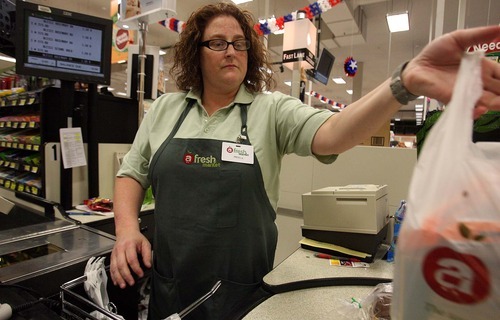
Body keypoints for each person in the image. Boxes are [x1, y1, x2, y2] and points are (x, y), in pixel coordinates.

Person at [110, 2, 500, 319]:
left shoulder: (270, 111)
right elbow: (132, 173)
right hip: (171, 288)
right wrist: (127, 230)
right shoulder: (165, 108)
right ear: (196, 52)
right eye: (217, 43)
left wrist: (404, 82)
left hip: (240, 295)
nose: (231, 50)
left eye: (240, 43)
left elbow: (334, 133)